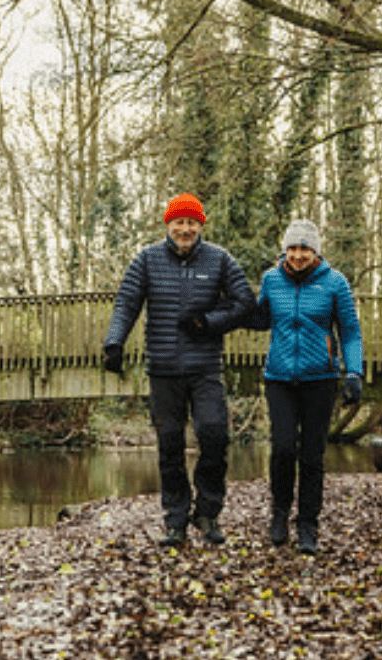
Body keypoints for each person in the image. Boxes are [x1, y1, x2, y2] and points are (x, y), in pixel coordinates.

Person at [102, 192, 256, 547]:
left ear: (200, 225)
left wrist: (207, 321)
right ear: (168, 225)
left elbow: (244, 303)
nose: (184, 229)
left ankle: (207, 512)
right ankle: (175, 520)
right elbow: (127, 302)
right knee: (169, 446)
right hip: (164, 368)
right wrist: (114, 343)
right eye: (178, 222)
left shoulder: (219, 260)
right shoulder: (146, 260)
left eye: (191, 222)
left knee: (215, 436)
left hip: (205, 368)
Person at [242, 219, 363, 555]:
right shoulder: (271, 279)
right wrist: (235, 305)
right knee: (282, 449)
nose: (298, 255)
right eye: (293, 248)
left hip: (320, 380)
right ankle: (280, 514)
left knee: (312, 457)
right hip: (279, 378)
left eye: (305, 248)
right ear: (285, 250)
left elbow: (350, 331)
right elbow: (261, 318)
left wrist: (354, 373)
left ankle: (308, 525)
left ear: (315, 251)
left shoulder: (335, 283)